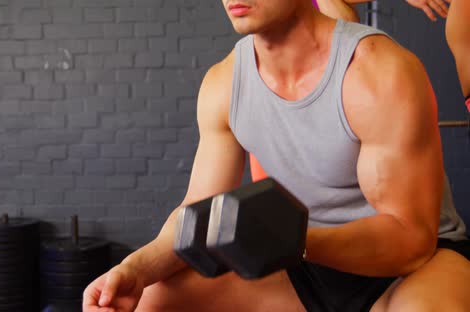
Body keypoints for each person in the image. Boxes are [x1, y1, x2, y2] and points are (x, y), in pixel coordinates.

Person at [83, 1, 470, 311]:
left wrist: (295, 241)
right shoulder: (224, 84)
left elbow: (409, 241)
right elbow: (194, 214)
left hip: (416, 264)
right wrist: (133, 269)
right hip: (301, 263)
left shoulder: (377, 71)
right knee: (155, 298)